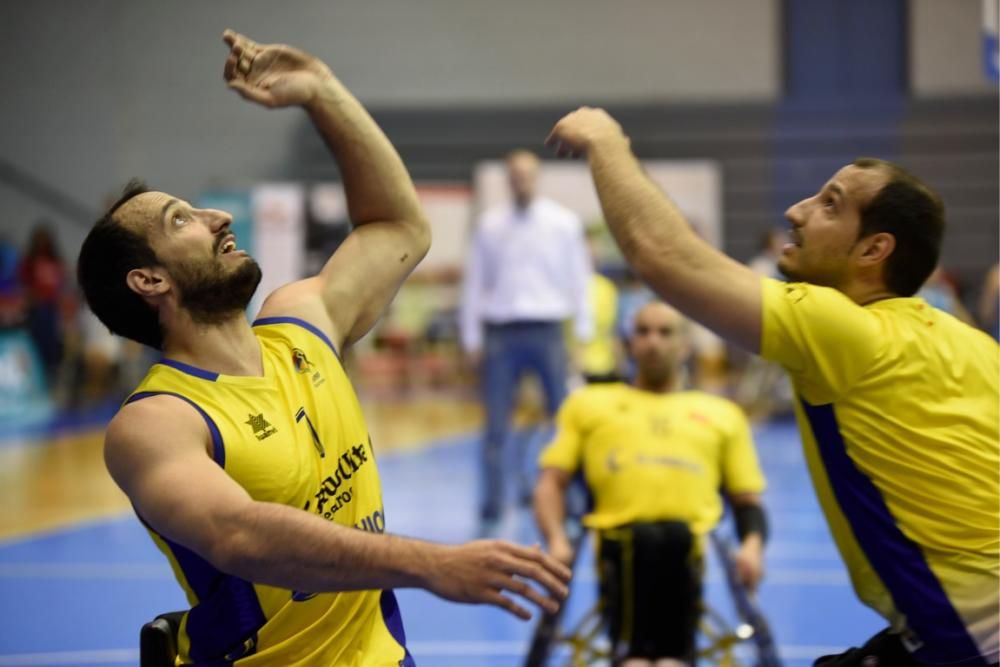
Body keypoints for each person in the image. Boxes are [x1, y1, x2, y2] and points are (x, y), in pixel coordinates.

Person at [76, 31, 569, 666]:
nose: (217, 218)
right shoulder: (156, 422)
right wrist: (432, 563)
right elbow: (239, 534)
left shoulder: (300, 324)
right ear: (149, 281)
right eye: (181, 221)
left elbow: (398, 228)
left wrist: (321, 92)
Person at [544, 108, 999, 667]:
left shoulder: (844, 329)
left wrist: (606, 141)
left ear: (873, 250)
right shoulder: (973, 344)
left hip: (971, 639)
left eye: (830, 204)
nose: (796, 211)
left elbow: (661, 255)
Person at [534, 301, 768, 667]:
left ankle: (659, 655)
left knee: (673, 538)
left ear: (685, 345)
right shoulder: (589, 405)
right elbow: (551, 482)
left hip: (691, 545)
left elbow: (746, 498)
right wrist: (556, 540)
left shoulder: (723, 415)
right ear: (628, 344)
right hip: (617, 541)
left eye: (664, 332)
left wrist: (752, 548)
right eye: (642, 332)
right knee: (641, 540)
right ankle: (642, 654)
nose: (653, 342)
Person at [459, 149, 593, 529]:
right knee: (496, 427)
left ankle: (571, 499)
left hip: (548, 329)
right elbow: (475, 283)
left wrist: (581, 334)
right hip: (501, 333)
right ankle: (493, 502)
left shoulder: (563, 223)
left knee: (564, 422)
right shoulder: (489, 226)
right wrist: (471, 337)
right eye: (514, 175)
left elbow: (578, 278)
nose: (521, 181)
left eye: (527, 175)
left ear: (537, 177)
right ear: (507, 179)